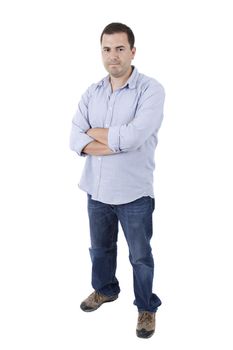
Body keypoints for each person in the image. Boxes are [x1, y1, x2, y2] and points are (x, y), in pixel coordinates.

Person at [70, 22, 165, 339]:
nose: (113, 56)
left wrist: (94, 136)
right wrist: (115, 141)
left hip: (134, 193)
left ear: (132, 51)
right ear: (102, 52)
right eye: (107, 49)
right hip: (96, 191)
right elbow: (74, 137)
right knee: (100, 250)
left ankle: (146, 307)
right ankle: (105, 289)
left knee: (140, 256)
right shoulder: (92, 92)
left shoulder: (150, 90)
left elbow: (137, 137)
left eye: (120, 49)